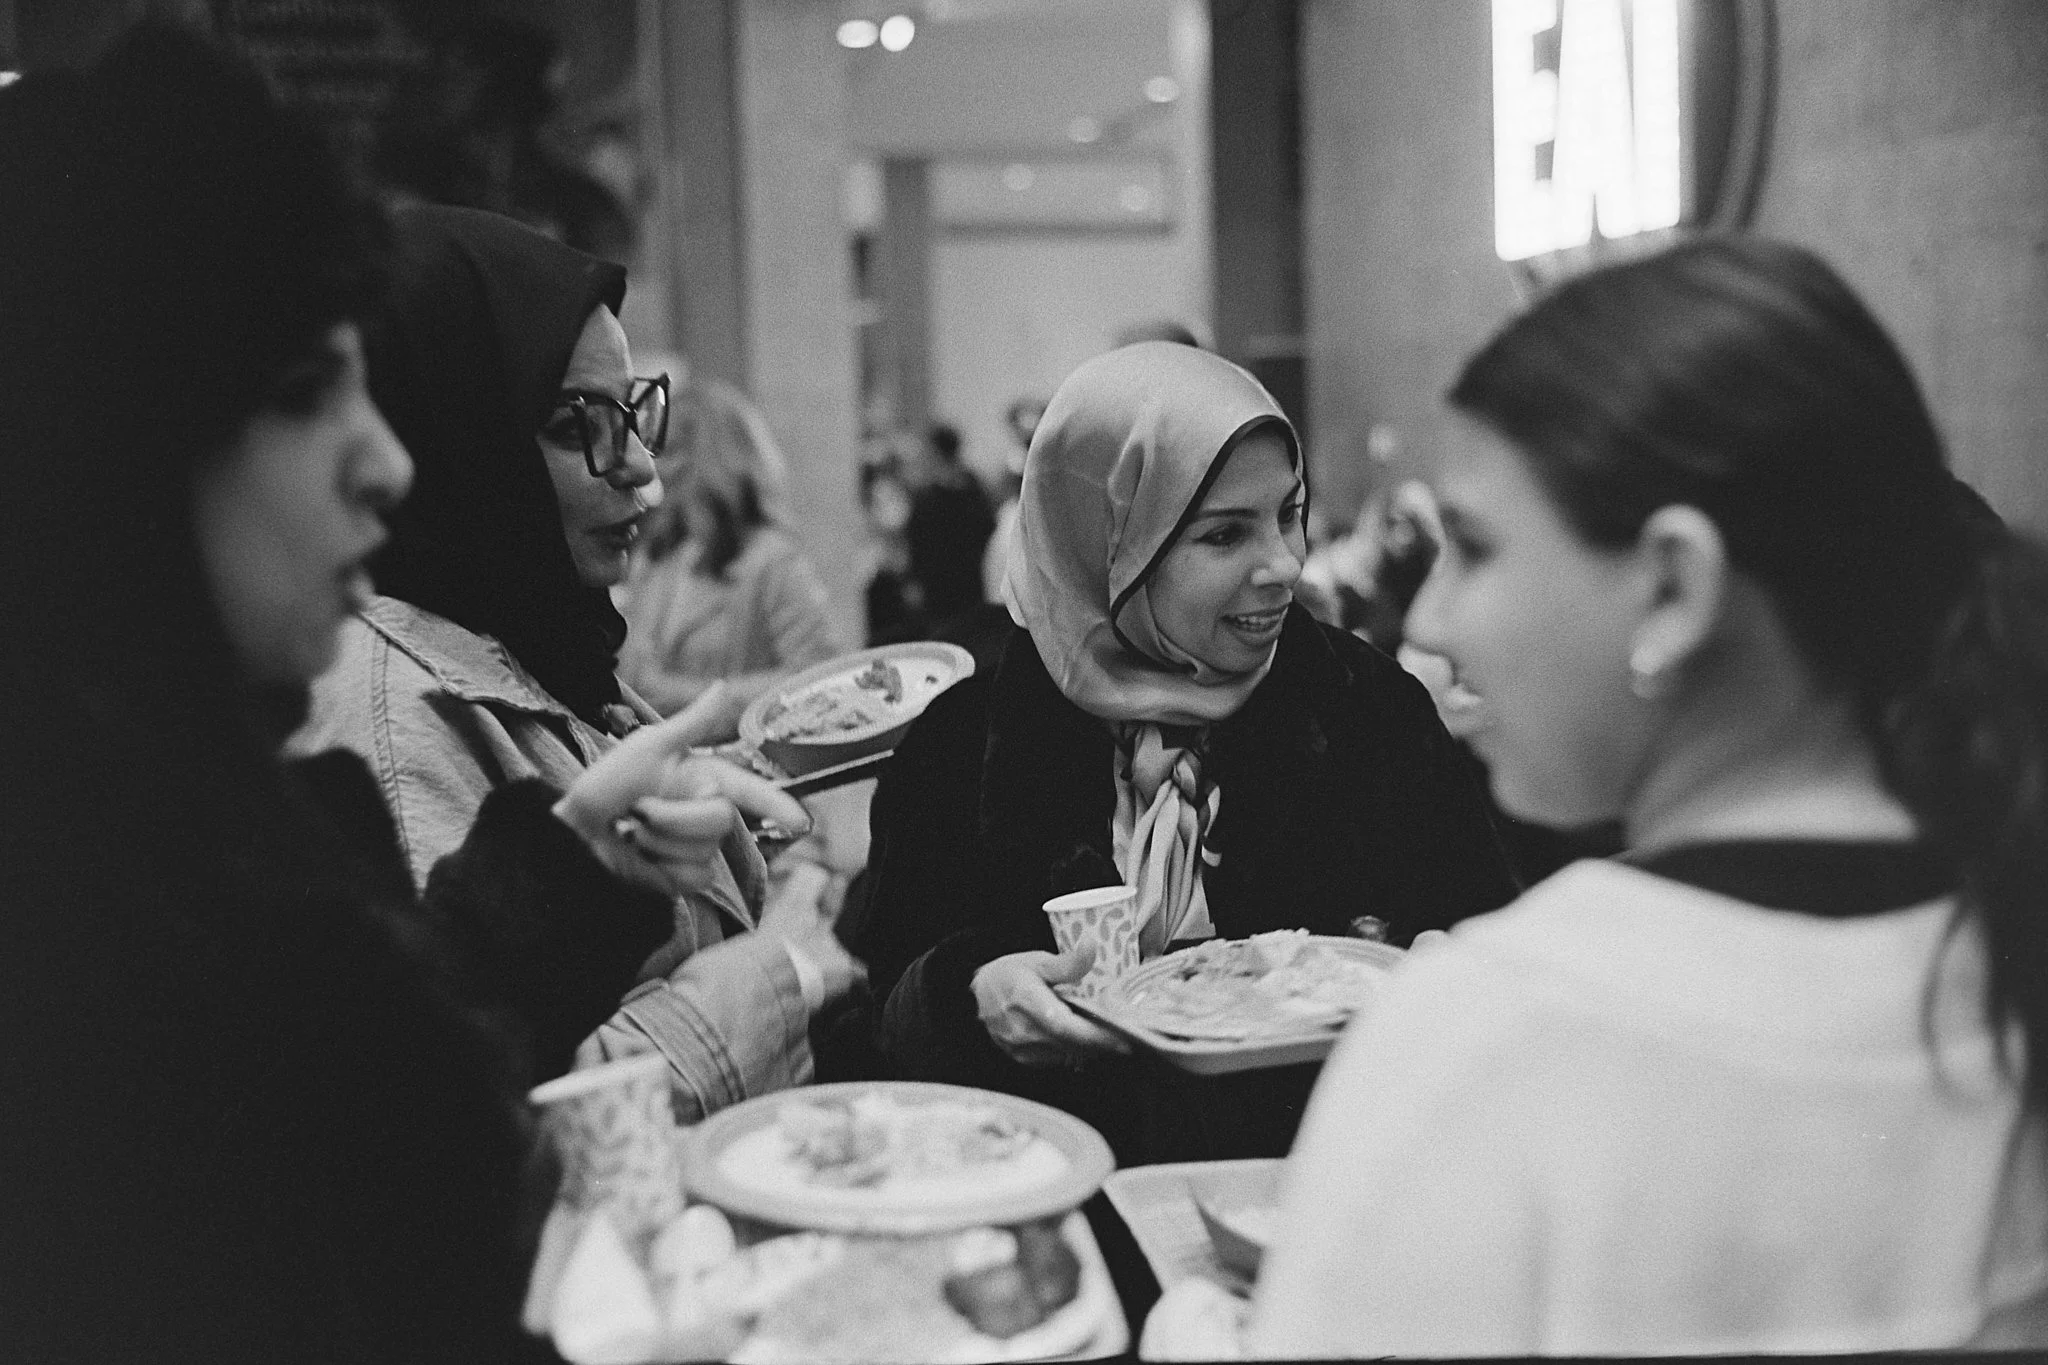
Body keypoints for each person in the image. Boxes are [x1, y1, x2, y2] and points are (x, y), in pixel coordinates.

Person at [0, 24, 808, 1362]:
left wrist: (554, 877)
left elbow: (347, 1121)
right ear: (122, 435)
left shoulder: (181, 819)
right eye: (310, 392)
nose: (382, 461)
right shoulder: (85, 927)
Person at [1244, 237, 2048, 1356]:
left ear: (1670, 585)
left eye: (1472, 548)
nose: (1430, 619)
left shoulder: (1488, 1039)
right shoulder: (2001, 952)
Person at [847, 341, 1517, 1164]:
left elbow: (1480, 930)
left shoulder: (1364, 709)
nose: (1283, 566)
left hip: (1320, 1190)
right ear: (1109, 544)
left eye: (1289, 513)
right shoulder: (965, 740)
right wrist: (969, 990)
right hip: (1061, 1205)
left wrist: (1447, 971)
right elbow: (883, 1017)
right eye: (1224, 534)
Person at [294, 204, 859, 1117]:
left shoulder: (537, 647)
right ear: (458, 437)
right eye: (575, 423)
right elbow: (482, 1113)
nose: (642, 468)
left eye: (634, 415)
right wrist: (780, 971)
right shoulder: (400, 711)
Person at [617, 378, 846, 720]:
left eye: (675, 448)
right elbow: (635, 673)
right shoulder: (656, 555)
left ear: (718, 456)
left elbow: (822, 676)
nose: (656, 466)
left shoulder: (772, 560)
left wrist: (701, 700)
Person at [904, 420, 997, 635]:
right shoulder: (975, 490)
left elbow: (917, 546)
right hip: (969, 585)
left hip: (943, 591)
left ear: (936, 452)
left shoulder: (926, 499)